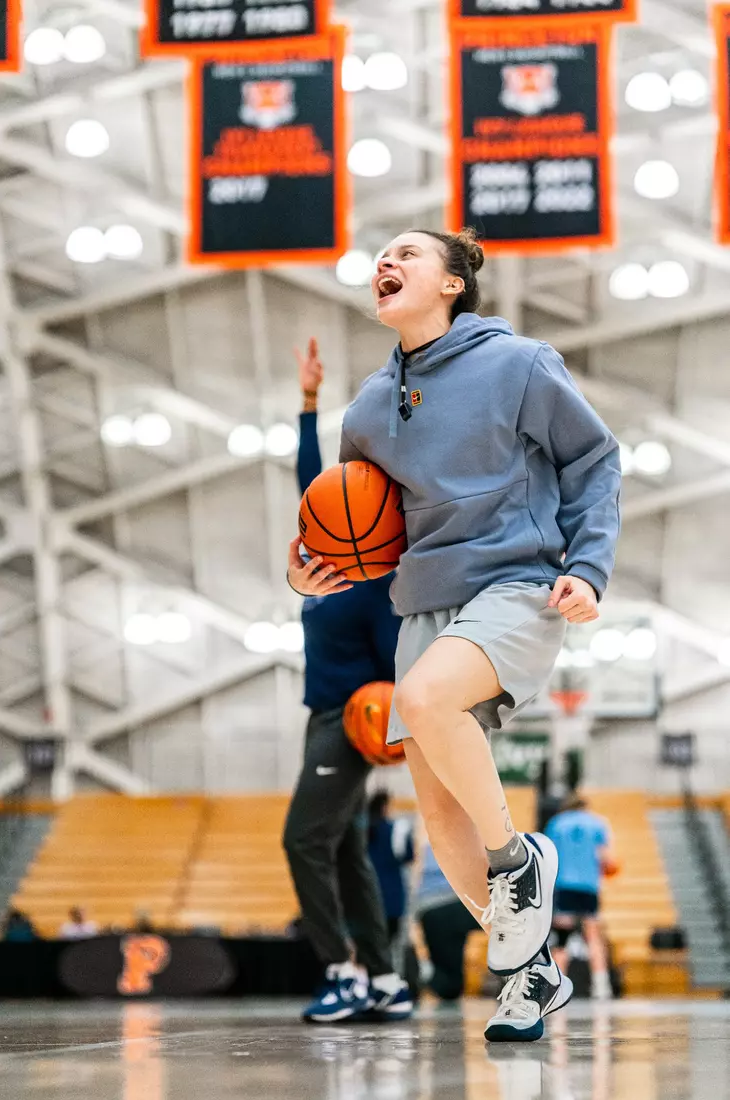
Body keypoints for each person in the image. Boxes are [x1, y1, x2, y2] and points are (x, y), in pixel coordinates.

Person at [288, 227, 621, 1041]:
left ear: (451, 284)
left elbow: (595, 462)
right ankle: (530, 975)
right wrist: (308, 572)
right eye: (381, 257)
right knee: (439, 819)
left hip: (517, 582)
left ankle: (519, 860)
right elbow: (361, 530)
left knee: (428, 697)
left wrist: (590, 567)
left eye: (408, 253)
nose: (386, 263)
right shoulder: (367, 407)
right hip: (422, 606)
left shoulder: (521, 364)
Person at [283, 342, 412, 1023]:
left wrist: (384, 721)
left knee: (301, 839)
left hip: (347, 721)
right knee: (346, 848)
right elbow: (312, 481)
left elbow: (397, 669)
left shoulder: (378, 582)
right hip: (323, 716)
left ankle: (342, 970)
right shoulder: (326, 544)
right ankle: (386, 979)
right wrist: (307, 404)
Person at [546, 793, 616, 1000]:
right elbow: (607, 858)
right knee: (593, 935)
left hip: (564, 886)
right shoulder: (597, 824)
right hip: (588, 887)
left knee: (562, 938)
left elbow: (549, 855)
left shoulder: (556, 824)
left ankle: (557, 987)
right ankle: (601, 986)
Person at [416, 841, 480, 1000]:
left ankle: (425, 972)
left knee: (449, 982)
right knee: (449, 983)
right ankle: (424, 973)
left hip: (431, 908)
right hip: (445, 905)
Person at [367, 790, 415, 942]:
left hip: (363, 896)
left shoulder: (359, 829)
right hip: (390, 898)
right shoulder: (396, 831)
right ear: (385, 807)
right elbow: (409, 856)